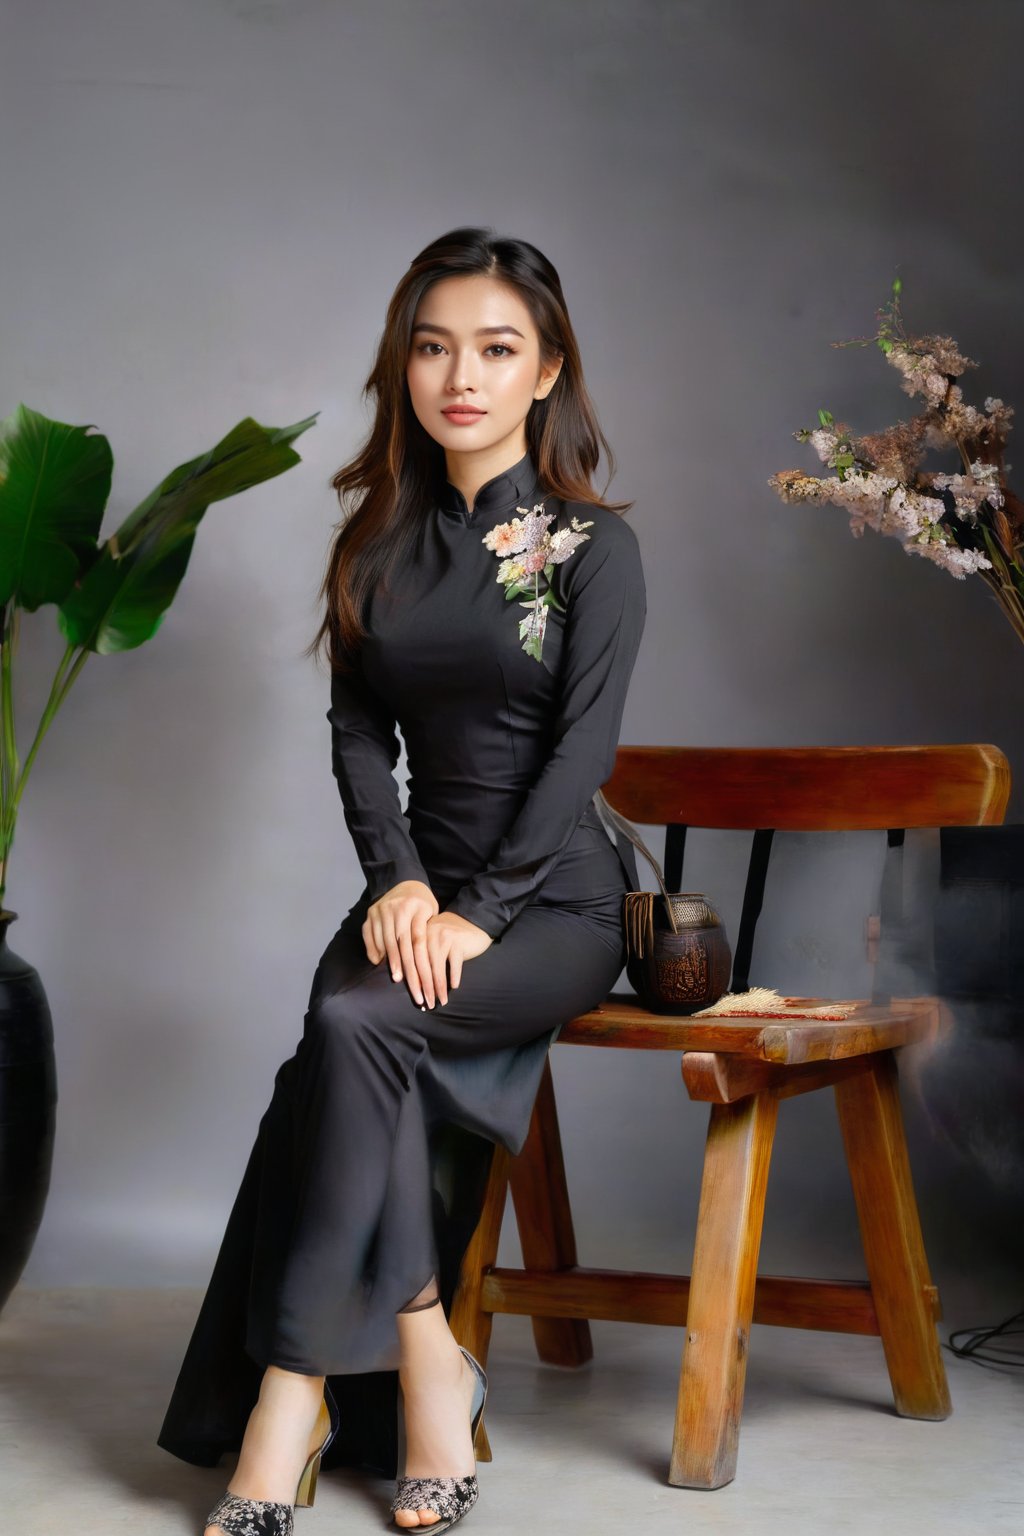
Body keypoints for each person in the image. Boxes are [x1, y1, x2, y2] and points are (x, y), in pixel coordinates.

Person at [157, 225, 647, 1536]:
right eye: (434, 348)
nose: (461, 377)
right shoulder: (375, 544)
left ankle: (288, 1397)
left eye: (496, 350)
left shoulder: (589, 553)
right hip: (417, 893)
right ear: (406, 368)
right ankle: (426, 1356)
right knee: (348, 1022)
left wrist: (481, 913)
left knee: (352, 1031)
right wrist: (400, 885)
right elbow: (358, 737)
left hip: (550, 907)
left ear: (546, 373)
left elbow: (580, 754)